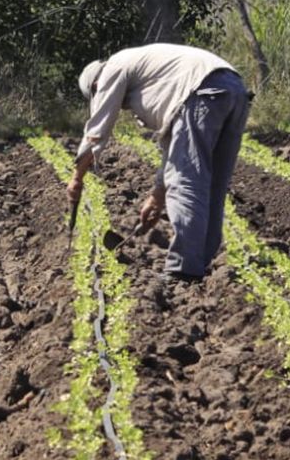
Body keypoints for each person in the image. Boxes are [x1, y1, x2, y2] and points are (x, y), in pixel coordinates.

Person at [67, 43, 250, 289]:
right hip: (235, 91)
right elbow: (173, 146)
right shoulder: (153, 77)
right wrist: (156, 195)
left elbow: (97, 132)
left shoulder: (113, 69)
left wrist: (77, 177)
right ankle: (198, 264)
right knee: (214, 186)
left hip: (202, 93)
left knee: (186, 184)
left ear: (96, 86)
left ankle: (183, 270)